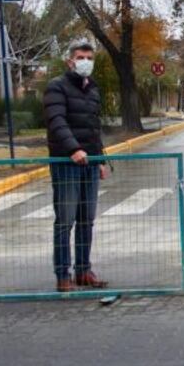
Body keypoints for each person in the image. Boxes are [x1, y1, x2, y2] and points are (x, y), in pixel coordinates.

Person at [43, 40, 109, 293]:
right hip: (66, 163)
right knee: (65, 221)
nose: (86, 62)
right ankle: (63, 275)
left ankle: (84, 271)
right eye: (81, 57)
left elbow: (94, 128)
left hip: (89, 164)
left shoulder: (92, 89)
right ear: (70, 61)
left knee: (86, 220)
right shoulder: (56, 87)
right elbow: (56, 121)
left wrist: (99, 160)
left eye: (90, 58)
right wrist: (74, 149)